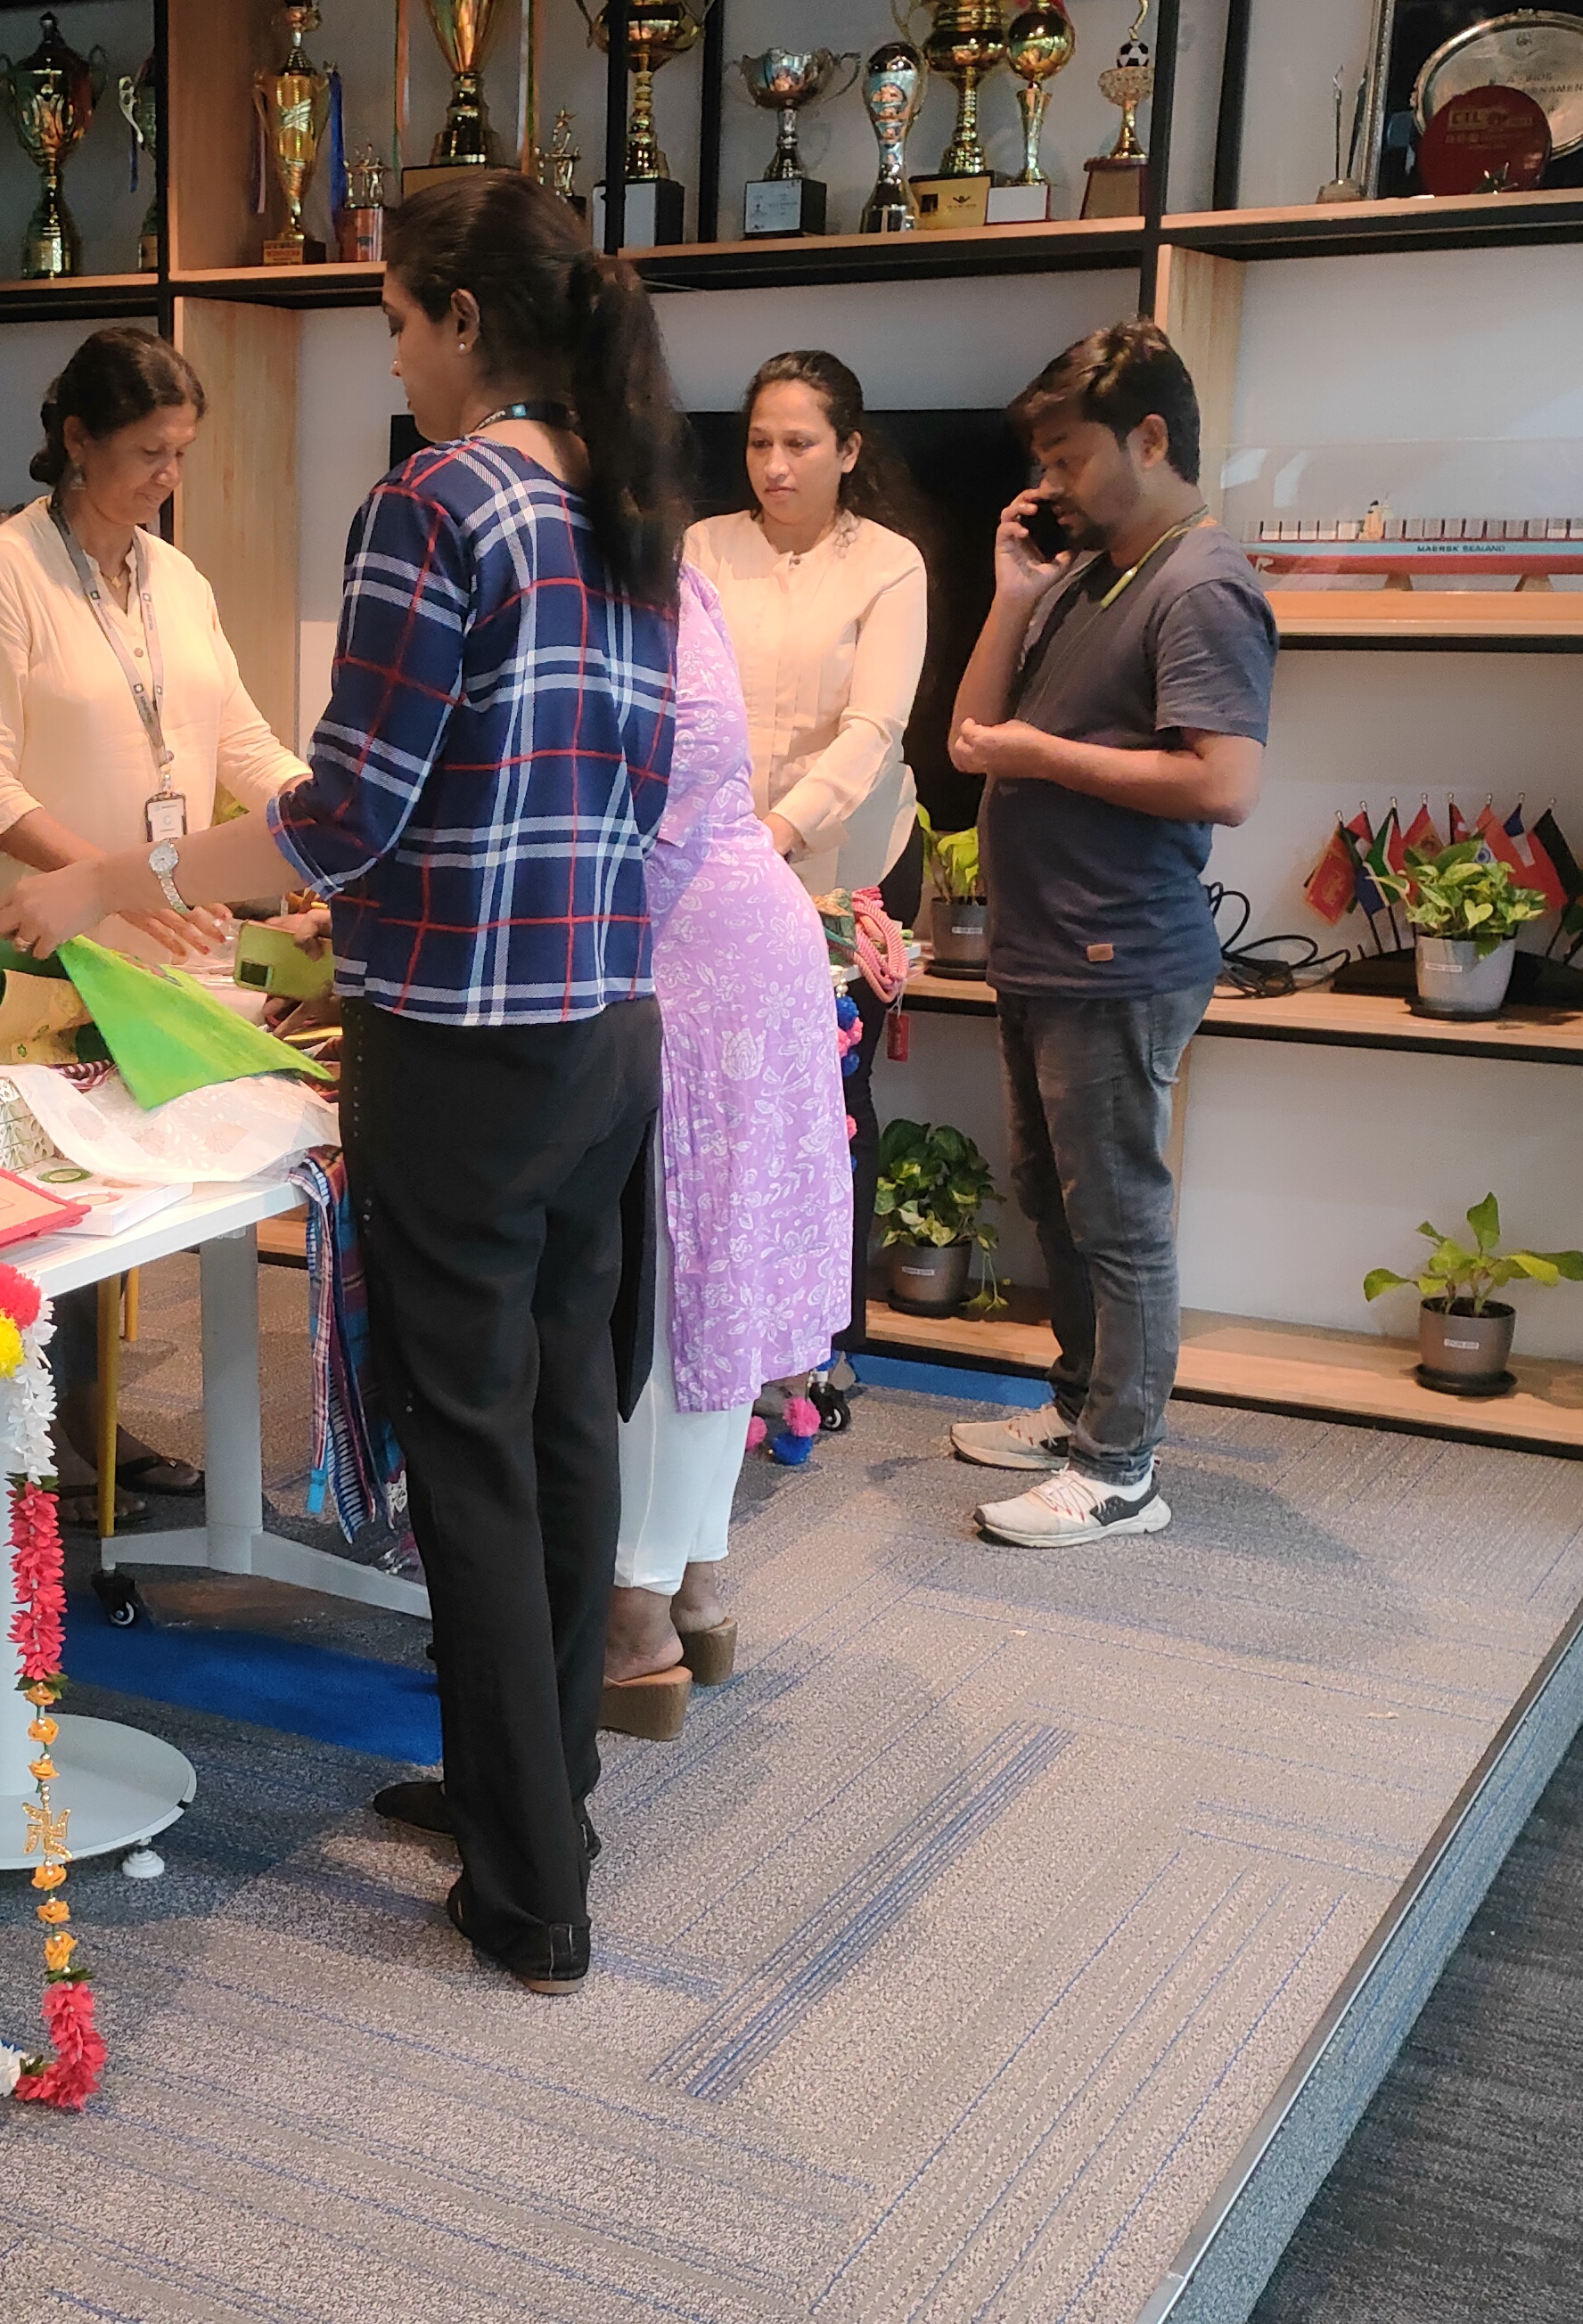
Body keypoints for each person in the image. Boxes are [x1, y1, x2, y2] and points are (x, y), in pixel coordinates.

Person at [0, 170, 687, 1996]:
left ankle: (528, 1891)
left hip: (461, 1050)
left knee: (472, 1449)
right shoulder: (620, 496)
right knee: (560, 1424)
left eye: (389, 319)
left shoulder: (435, 499)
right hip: (602, 1030)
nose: (390, 354)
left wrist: (111, 880)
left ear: (460, 317)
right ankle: (535, 1794)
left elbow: (343, 812)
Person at [0, 326, 308, 1515]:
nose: (168, 475)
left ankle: (86, 1424)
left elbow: (240, 741)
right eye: (149, 452)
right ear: (77, 440)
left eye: (182, 452)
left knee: (133, 1198)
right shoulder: (8, 572)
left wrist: (322, 819)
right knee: (62, 1205)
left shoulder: (179, 580)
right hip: (45, 940)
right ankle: (35, 1440)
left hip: (157, 931)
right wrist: (108, 878)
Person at [936, 322, 1274, 1547]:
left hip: (1118, 954)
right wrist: (1012, 595)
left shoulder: (1203, 584)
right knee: (1054, 1196)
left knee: (1119, 1215)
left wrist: (1044, 757)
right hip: (1044, 948)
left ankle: (1121, 1467)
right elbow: (971, 739)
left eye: (1069, 457)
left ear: (1150, 438)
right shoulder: (1089, 575)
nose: (1051, 485)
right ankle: (1081, 1406)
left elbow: (1224, 783)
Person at [600, 561, 855, 1739]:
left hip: (687, 955)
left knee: (673, 1294)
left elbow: (625, 816)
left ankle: (634, 1619)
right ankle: (694, 1586)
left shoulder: (590, 584)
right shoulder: (677, 576)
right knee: (717, 1284)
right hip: (750, 934)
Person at [682, 350, 932, 1294]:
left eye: (799, 444)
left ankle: (830, 1333)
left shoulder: (888, 564)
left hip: (845, 862)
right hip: (715, 865)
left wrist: (778, 832)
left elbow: (874, 728)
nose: (774, 466)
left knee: (831, 1087)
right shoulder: (701, 549)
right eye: (758, 444)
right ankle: (730, 1310)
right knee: (718, 1088)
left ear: (848, 450)